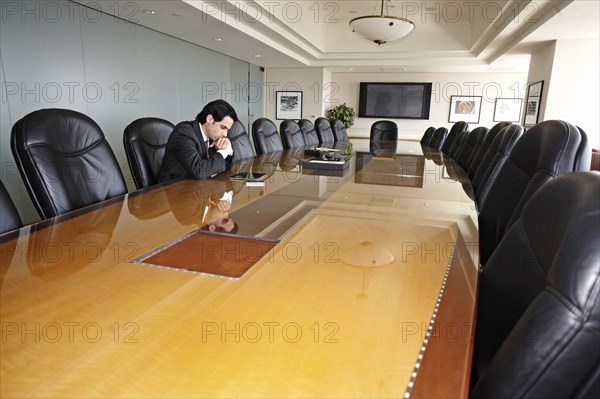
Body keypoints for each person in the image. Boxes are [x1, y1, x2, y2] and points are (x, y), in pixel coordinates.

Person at [158, 99, 238, 182]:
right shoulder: (184, 133)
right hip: (173, 189)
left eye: (227, 130)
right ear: (210, 119)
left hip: (197, 187)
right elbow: (199, 170)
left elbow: (224, 168)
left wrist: (227, 148)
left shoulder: (212, 135)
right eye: (223, 128)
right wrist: (223, 152)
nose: (225, 134)